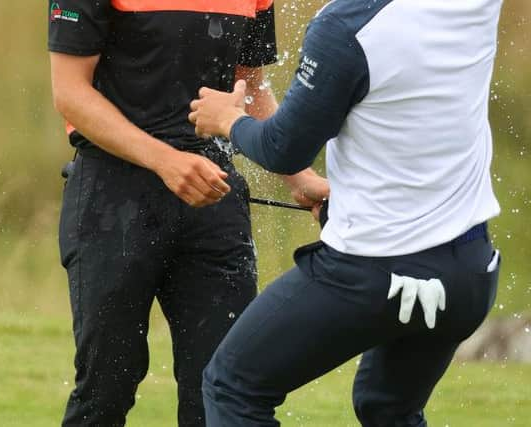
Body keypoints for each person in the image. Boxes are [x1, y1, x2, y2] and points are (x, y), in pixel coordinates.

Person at [189, 0, 503, 425]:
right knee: (387, 406)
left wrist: (229, 120)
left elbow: (283, 149)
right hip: (468, 271)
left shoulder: (345, 25)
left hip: (372, 273)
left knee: (232, 385)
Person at [47, 0, 326, 425]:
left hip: (213, 197)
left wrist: (299, 176)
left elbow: (248, 84)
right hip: (111, 197)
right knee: (106, 389)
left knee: (222, 388)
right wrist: (164, 160)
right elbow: (70, 93)